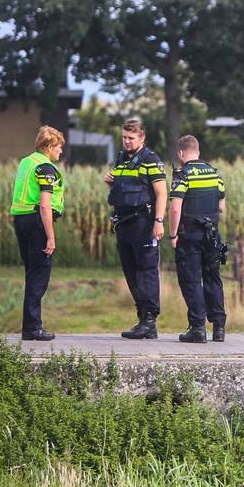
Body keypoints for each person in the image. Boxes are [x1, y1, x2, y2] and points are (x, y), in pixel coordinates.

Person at [105, 118, 169, 339]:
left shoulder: (151, 160)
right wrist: (111, 183)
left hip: (143, 223)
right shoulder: (121, 159)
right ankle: (142, 318)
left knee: (146, 271)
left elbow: (162, 193)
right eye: (124, 137)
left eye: (131, 138)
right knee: (131, 272)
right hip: (123, 223)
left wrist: (158, 221)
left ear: (142, 138)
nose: (126, 142)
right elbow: (123, 189)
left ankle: (150, 320)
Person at [168, 135, 227, 344]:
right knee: (213, 278)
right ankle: (219, 328)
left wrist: (173, 234)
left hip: (190, 235)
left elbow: (175, 208)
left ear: (181, 153)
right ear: (198, 152)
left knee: (191, 280)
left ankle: (198, 328)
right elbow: (221, 207)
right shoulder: (214, 173)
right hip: (212, 235)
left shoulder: (182, 175)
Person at [9, 125, 66, 341]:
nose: (61, 151)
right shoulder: (46, 168)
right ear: (49, 146)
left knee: (31, 273)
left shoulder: (26, 162)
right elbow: (44, 205)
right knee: (39, 275)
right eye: (59, 147)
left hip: (21, 220)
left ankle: (30, 327)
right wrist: (50, 236)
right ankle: (33, 328)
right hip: (37, 222)